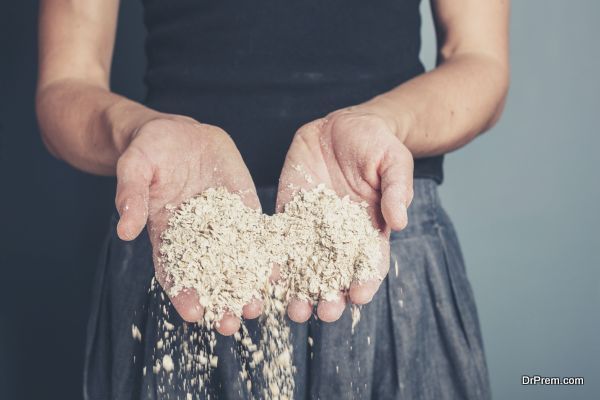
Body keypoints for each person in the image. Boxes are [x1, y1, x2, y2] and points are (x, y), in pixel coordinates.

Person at [36, 0, 509, 398]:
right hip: (180, 239)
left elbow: (479, 60)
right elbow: (66, 84)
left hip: (372, 219)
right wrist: (138, 131)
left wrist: (386, 122)